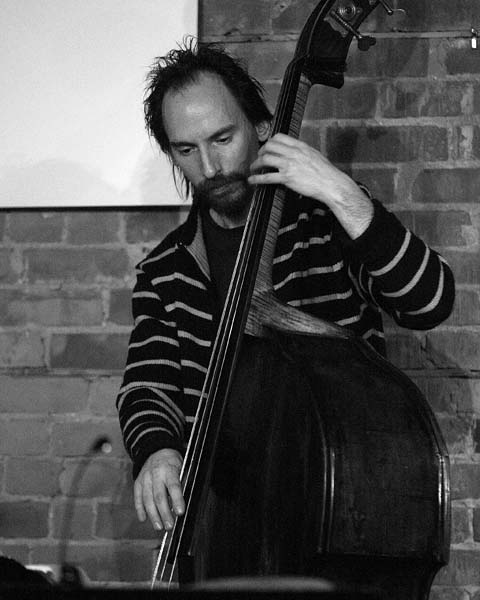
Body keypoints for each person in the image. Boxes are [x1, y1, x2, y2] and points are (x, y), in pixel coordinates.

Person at [116, 40, 455, 566]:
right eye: (186, 150)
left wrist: (341, 193)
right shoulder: (167, 270)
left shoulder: (326, 222)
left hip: (339, 517)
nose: (210, 166)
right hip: (224, 530)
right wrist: (157, 449)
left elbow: (429, 301)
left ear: (262, 127)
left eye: (222, 138)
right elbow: (147, 385)